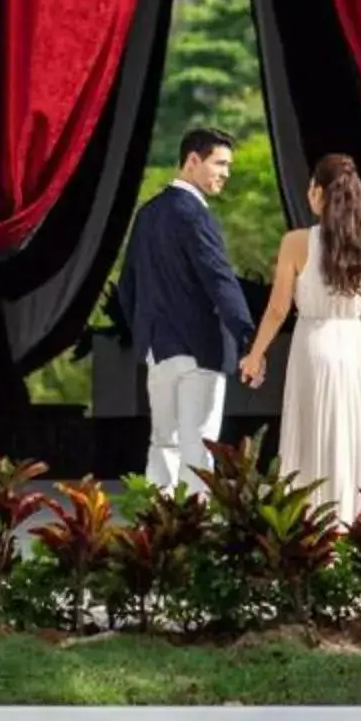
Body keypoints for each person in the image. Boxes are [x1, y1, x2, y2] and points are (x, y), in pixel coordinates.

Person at [239, 152, 361, 523]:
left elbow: (278, 309)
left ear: (318, 193)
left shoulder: (295, 242)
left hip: (314, 345)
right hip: (358, 348)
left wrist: (255, 354)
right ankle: (358, 522)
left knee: (313, 436)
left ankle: (313, 523)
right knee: (356, 438)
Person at [113, 127, 254, 493]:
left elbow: (127, 285)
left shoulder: (147, 213)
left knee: (163, 443)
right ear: (192, 161)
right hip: (200, 350)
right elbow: (220, 280)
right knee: (199, 448)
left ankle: (159, 534)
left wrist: (144, 332)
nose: (226, 173)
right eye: (219, 163)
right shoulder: (195, 215)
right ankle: (195, 532)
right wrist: (248, 337)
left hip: (158, 351)